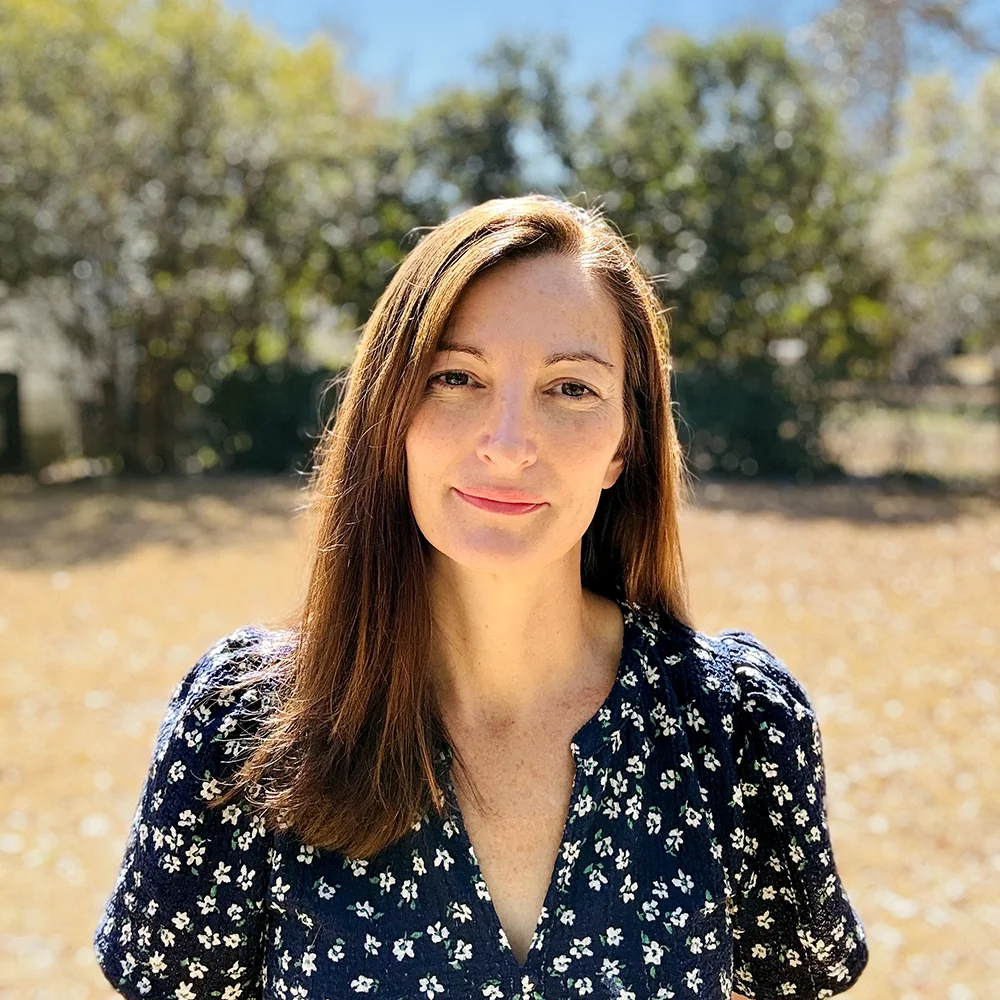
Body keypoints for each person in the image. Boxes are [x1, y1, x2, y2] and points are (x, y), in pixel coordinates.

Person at [93, 195, 869, 1000]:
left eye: (570, 389)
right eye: (456, 377)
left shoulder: (738, 726)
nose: (506, 444)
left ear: (623, 447)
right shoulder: (245, 725)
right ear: (389, 415)